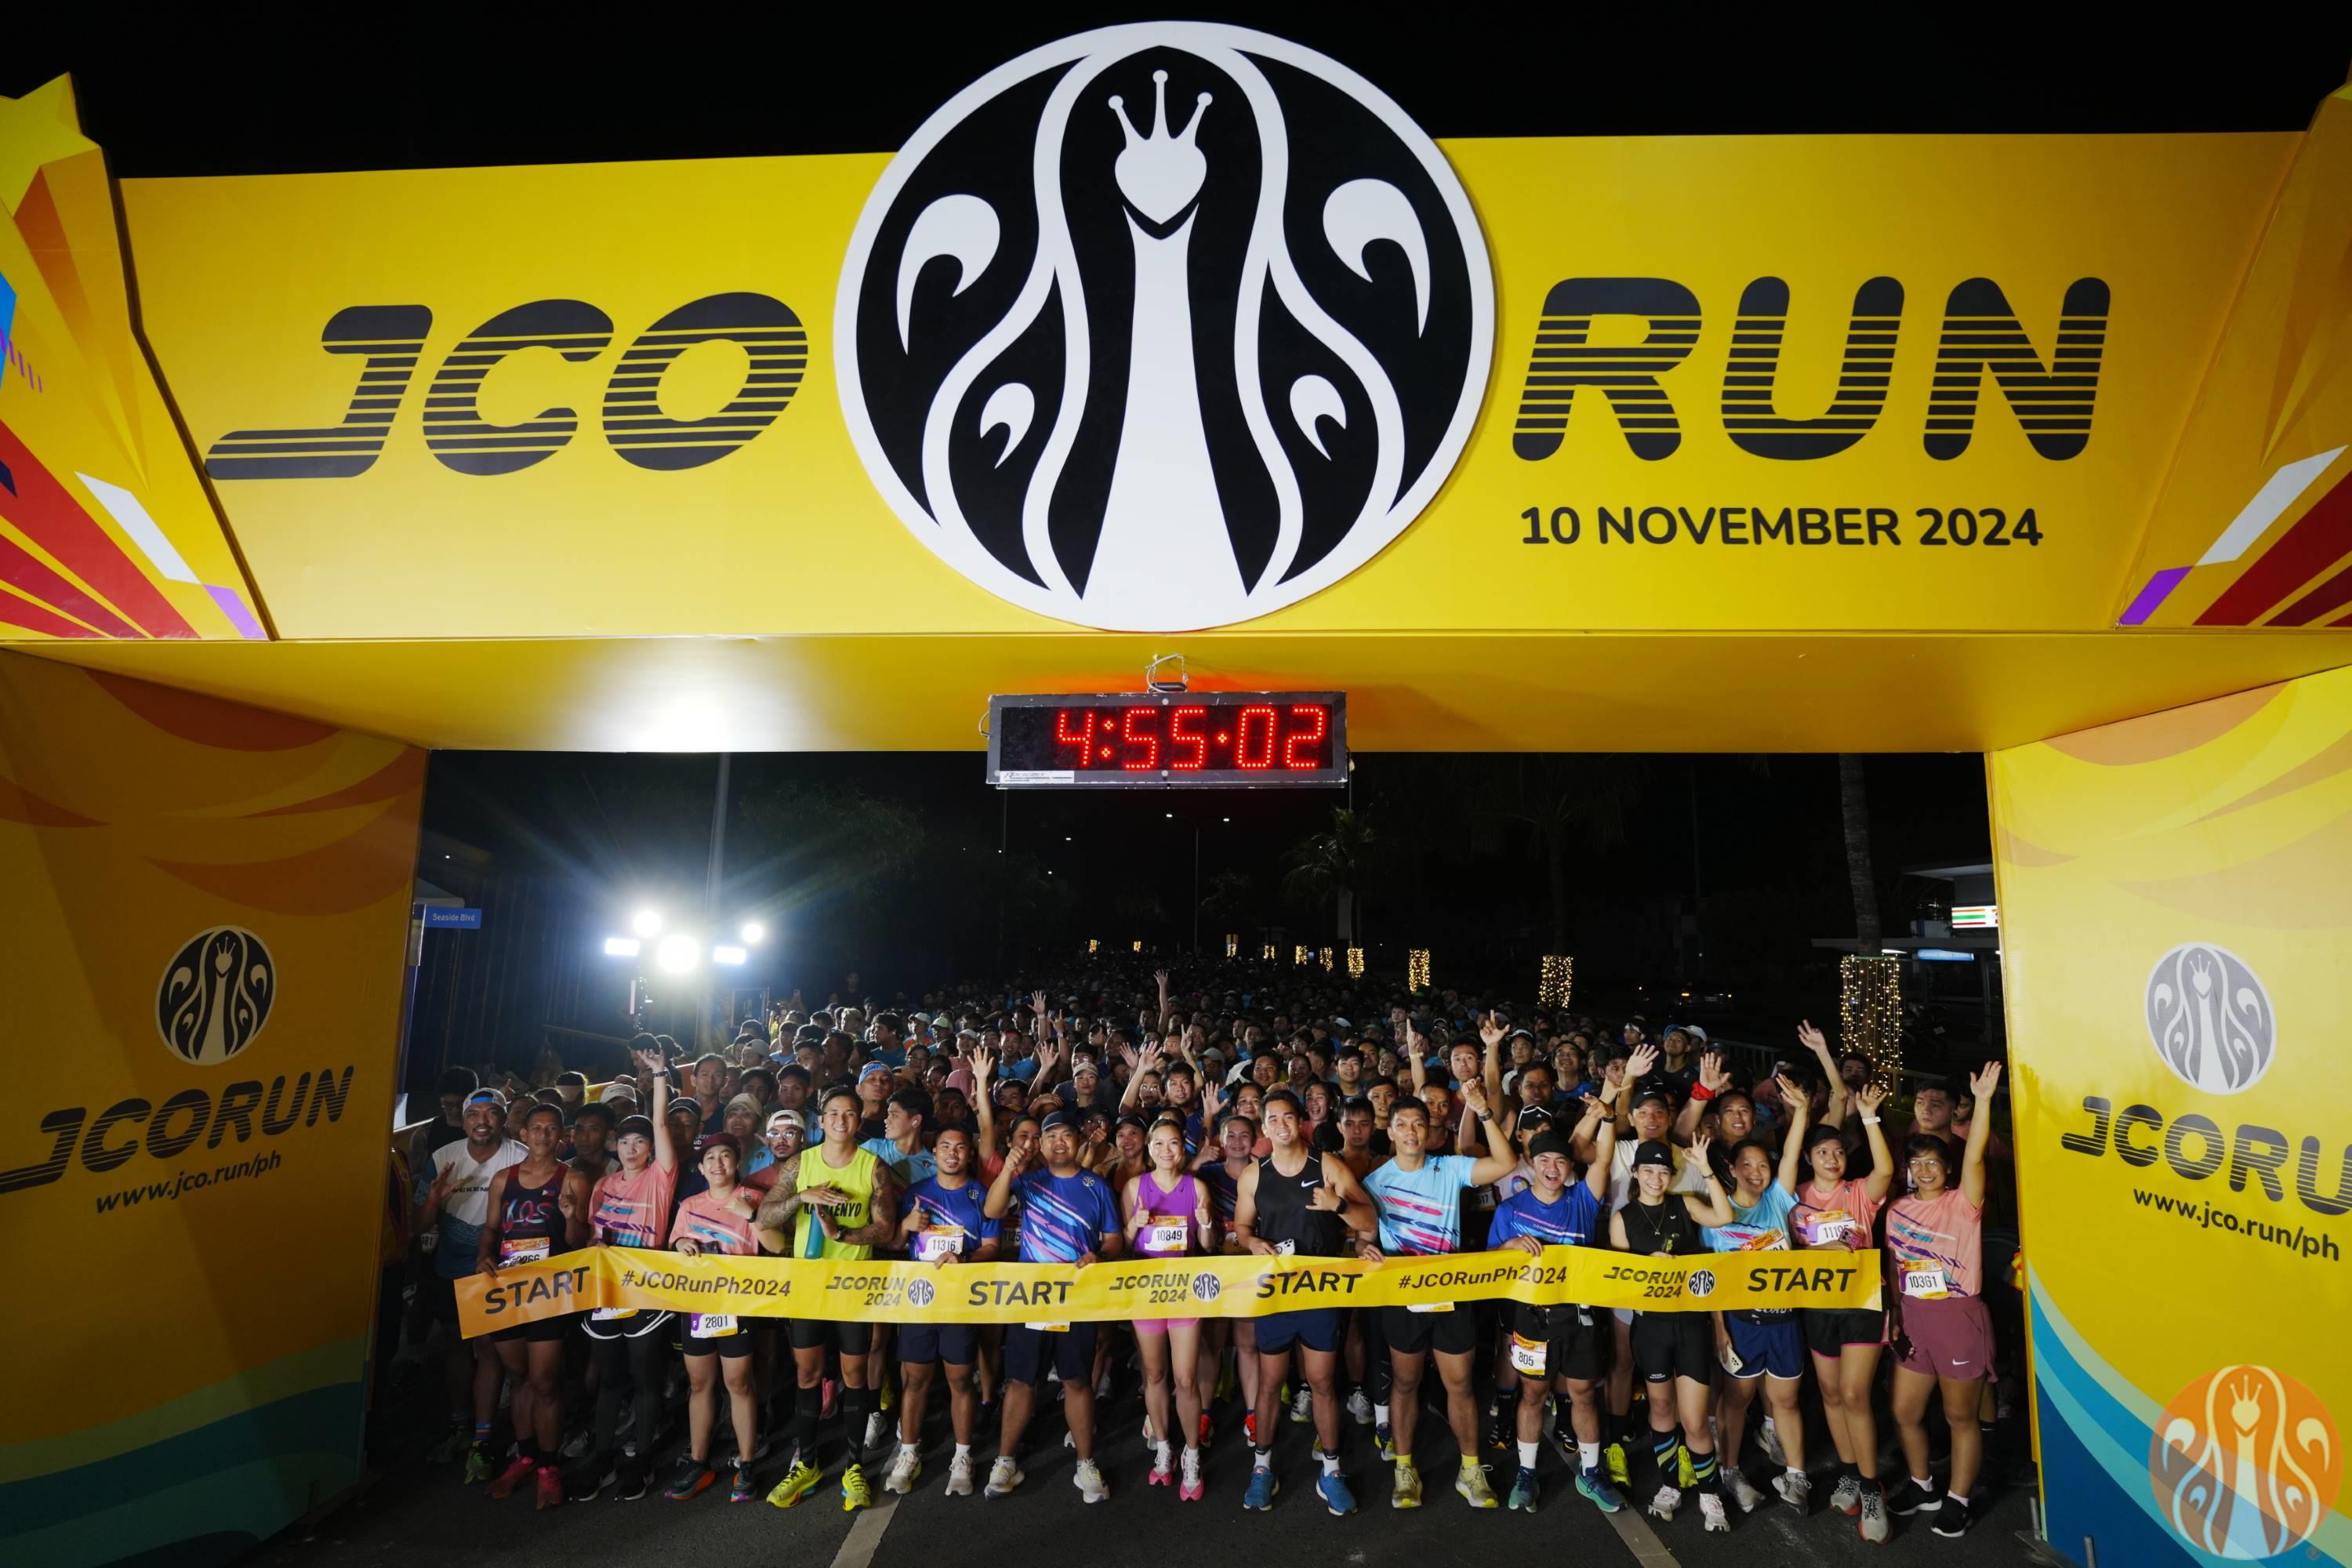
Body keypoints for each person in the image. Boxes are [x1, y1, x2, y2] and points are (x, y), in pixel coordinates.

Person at [1359, 1074, 1523, 1510]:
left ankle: (1470, 1470)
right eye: (1402, 1125)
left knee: (1460, 1384)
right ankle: (1404, 1469)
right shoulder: (1374, 1183)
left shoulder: (1449, 1167)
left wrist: (1483, 1111)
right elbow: (1361, 1236)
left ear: (1428, 1129)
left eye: (1418, 1124)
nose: (1411, 1132)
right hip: (1403, 1295)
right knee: (1405, 1383)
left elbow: (1505, 1163)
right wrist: (1362, 1248)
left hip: (1451, 1292)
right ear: (1391, 1132)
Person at [1232, 1087, 1381, 1516]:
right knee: (1270, 1383)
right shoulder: (1254, 1175)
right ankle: (1262, 1467)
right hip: (1277, 1291)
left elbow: (1369, 1221)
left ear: (1301, 1122)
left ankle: (1331, 1471)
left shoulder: (1327, 1165)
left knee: (1322, 1383)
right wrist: (1252, 1242)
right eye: (1273, 1119)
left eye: (1288, 1117)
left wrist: (1338, 1205)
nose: (1281, 1126)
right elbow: (1242, 1227)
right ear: (1264, 1127)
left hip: (1321, 1290)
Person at [754, 1084, 901, 1512]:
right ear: (820, 1121)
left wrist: (841, 1234)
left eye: (849, 1114)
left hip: (853, 1287)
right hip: (808, 1286)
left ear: (859, 1120)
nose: (841, 1120)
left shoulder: (873, 1166)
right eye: (833, 1113)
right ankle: (807, 1464)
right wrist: (804, 1196)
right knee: (807, 1375)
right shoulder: (801, 1163)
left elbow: (886, 1230)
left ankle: (854, 1467)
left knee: (855, 1376)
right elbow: (764, 1216)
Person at [1885, 1062, 2005, 1538]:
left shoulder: (1963, 1203)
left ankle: (1958, 1500)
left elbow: (1975, 1158)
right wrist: (1895, 1315)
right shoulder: (1897, 1210)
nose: (1924, 1170)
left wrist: (1984, 1101)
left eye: (1933, 1162)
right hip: (1915, 1320)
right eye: (1916, 1163)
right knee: (1905, 1412)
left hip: (1958, 1319)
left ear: (1948, 1168)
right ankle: (1923, 1485)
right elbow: (1894, 1269)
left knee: (1960, 1416)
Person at [982, 1109, 1124, 1502]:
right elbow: (992, 1211)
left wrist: (1099, 1255)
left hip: (1077, 1299)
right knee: (1021, 1380)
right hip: (1032, 1299)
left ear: (1078, 1141)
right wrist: (1008, 1170)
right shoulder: (1028, 1182)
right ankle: (1005, 1461)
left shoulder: (1096, 1186)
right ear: (1041, 1145)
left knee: (1077, 1381)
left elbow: (1114, 1239)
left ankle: (1085, 1462)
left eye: (1066, 1135)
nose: (1059, 1143)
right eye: (1051, 1136)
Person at [1487, 1109, 1623, 1515]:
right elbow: (1487, 1267)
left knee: (1582, 1393)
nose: (1552, 1168)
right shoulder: (1510, 1210)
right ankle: (1526, 1474)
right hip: (1532, 1318)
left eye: (1561, 1161)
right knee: (1533, 1394)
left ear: (1570, 1167)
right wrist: (1508, 1247)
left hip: (1579, 1317)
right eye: (1544, 1160)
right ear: (1531, 1163)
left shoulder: (1583, 1200)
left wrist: (1609, 1117)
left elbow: (1603, 1159)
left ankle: (1591, 1473)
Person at [1699, 1071, 1814, 1519]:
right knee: (1736, 1400)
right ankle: (1729, 1471)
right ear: (1731, 1169)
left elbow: (1791, 1153)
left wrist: (1801, 1112)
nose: (1756, 1172)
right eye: (1746, 1166)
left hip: (1784, 1320)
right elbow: (1711, 1277)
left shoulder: (1779, 1200)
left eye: (1763, 1166)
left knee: (1786, 1400)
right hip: (1741, 1324)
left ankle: (1797, 1476)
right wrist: (1719, 1328)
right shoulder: (1718, 1215)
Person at [1610, 1136, 1733, 1530]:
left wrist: (1707, 1169)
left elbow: (1724, 1217)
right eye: (1648, 1170)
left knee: (1694, 1419)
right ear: (1635, 1173)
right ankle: (1670, 1485)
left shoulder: (1685, 1204)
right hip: (1651, 1326)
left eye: (1664, 1171)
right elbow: (1620, 1283)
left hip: (1691, 1323)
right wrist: (1648, 1265)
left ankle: (1710, 1492)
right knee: (1661, 1409)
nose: (1656, 1178)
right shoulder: (1623, 1218)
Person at [573, 1044, 678, 1502]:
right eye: (624, 1142)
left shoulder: (660, 1178)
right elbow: (592, 1238)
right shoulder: (603, 1185)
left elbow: (661, 1122)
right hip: (606, 1293)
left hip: (647, 1294)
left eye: (640, 1143)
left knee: (644, 1378)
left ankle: (642, 1460)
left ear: (652, 1149)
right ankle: (602, 1457)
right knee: (609, 1380)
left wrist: (659, 1075)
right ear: (614, 1146)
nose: (631, 1149)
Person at [1791, 1078, 1895, 1537]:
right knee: (1831, 1395)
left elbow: (1886, 1171)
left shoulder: (1857, 1192)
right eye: (1822, 1153)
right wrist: (1821, 1252)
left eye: (1838, 1152)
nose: (1832, 1159)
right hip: (1818, 1307)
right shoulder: (1795, 1197)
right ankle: (1850, 1474)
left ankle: (1872, 1490)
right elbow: (1783, 1250)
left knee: (1855, 1394)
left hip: (1861, 1304)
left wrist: (1869, 1117)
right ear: (1808, 1158)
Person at [477, 1101, 593, 1508]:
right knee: (519, 1377)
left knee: (545, 1381)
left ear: (561, 1136)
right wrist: (484, 1255)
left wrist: (571, 1216)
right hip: (508, 1290)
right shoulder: (503, 1179)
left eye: (552, 1129)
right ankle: (525, 1458)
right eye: (537, 1128)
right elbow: (491, 1229)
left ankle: (548, 1466)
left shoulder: (573, 1179)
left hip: (550, 1290)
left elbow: (579, 1243)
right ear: (523, 1134)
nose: (544, 1135)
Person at [886, 1124, 1001, 1497]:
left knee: (961, 1380)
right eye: (945, 1146)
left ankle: (963, 1456)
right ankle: (908, 1453)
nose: (953, 1153)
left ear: (970, 1154)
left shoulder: (982, 1195)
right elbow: (895, 1243)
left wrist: (964, 1258)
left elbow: (992, 1246)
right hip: (919, 1299)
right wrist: (905, 1227)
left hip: (960, 1301)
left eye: (961, 1147)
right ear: (934, 1153)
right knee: (915, 1380)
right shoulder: (915, 1193)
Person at [417, 1088, 526, 1482]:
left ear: (503, 1119)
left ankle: (483, 1437)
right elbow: (420, 1225)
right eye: (473, 1114)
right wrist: (433, 1201)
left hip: (497, 1268)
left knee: (489, 1349)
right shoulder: (443, 1158)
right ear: (463, 1121)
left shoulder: (519, 1156)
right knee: (456, 1348)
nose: (482, 1121)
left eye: (491, 1113)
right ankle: (460, 1425)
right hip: (451, 1268)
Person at [665, 1133, 765, 1503]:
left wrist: (751, 1214)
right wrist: (679, 1244)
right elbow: (674, 1244)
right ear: (701, 1167)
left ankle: (748, 1463)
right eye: (710, 1158)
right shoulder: (690, 1205)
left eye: (725, 1156)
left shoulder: (753, 1197)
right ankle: (698, 1462)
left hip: (739, 1304)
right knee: (699, 1383)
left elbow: (776, 1245)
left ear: (737, 1163)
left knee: (739, 1383)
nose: (718, 1163)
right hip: (699, 1305)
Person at [1123, 1114, 1214, 1500]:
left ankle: (1191, 1453)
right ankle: (1163, 1448)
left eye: (1173, 1142)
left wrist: (1205, 1223)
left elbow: (1207, 1246)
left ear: (1182, 1149)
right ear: (1149, 1148)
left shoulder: (1196, 1187)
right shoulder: (1134, 1187)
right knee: (1155, 1375)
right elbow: (1123, 1244)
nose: (1166, 1150)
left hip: (1184, 1292)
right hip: (1146, 1293)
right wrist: (1135, 1224)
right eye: (1158, 1143)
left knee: (1186, 1379)